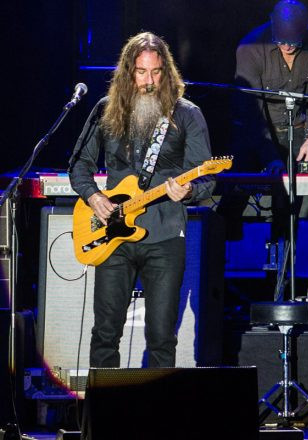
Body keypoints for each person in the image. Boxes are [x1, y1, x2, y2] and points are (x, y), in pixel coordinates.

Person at [68, 32, 215, 368]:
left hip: (164, 237)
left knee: (162, 336)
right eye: (141, 72)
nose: (149, 81)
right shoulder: (106, 110)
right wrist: (93, 197)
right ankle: (104, 416)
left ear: (166, 72)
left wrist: (190, 190)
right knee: (105, 332)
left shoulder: (187, 114)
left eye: (156, 72)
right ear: (128, 72)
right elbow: (79, 164)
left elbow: (206, 177)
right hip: (112, 236)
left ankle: (156, 417)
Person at [218, 0, 308, 242]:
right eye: (282, 40)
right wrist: (271, 159)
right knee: (234, 197)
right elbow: (251, 114)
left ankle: (280, 273)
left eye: (294, 41)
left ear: (306, 27)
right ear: (271, 23)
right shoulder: (250, 48)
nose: (288, 47)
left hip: (295, 130)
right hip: (254, 130)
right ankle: (222, 266)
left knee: (287, 205)